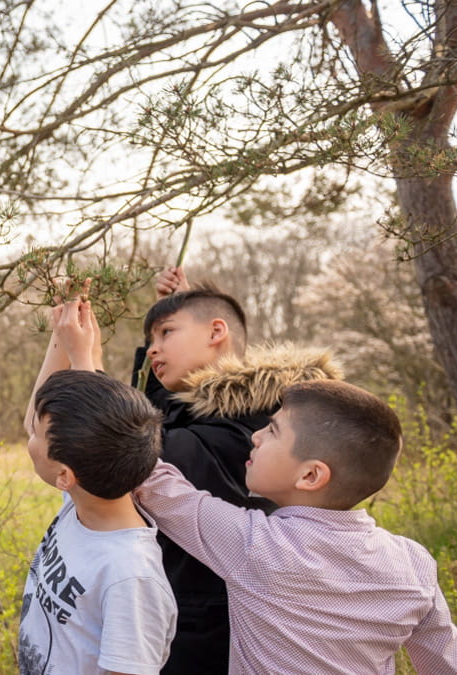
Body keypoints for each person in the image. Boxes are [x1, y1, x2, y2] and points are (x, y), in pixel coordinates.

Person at [132, 379, 457, 674]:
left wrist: (89, 367)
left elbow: (157, 485)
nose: (256, 436)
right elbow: (450, 665)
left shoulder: (255, 546)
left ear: (311, 475)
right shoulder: (414, 563)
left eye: (272, 430)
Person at [134, 267, 340, 673]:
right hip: (190, 610)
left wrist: (86, 365)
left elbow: (139, 453)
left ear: (216, 332)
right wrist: (175, 311)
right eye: (150, 340)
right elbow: (162, 410)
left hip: (216, 630)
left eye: (166, 334)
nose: (153, 349)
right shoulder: (217, 408)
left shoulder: (260, 425)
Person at [17, 299, 177, 675]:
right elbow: (47, 417)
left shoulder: (130, 576)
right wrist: (64, 342)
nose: (29, 438)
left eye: (37, 436)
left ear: (64, 476)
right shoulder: (86, 494)